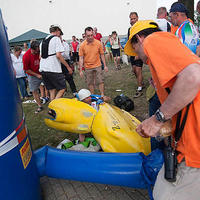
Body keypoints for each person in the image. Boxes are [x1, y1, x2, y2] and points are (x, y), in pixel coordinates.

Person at [124, 20, 200, 200]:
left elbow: (193, 77)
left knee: (164, 195)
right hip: (190, 145)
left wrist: (157, 119)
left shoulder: (153, 41)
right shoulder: (170, 43)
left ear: (140, 38)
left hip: (194, 150)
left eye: (135, 50)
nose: (137, 56)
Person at [39, 25, 73, 101]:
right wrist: (68, 67)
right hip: (53, 69)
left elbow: (40, 56)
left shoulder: (43, 41)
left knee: (52, 90)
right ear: (57, 31)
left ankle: (52, 109)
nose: (60, 35)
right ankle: (54, 105)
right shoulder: (56, 39)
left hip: (43, 69)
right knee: (62, 88)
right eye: (60, 33)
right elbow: (58, 55)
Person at [79, 27, 108, 96]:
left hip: (98, 65)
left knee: (100, 81)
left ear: (93, 34)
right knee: (90, 82)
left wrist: (105, 65)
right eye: (88, 36)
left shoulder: (98, 43)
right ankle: (92, 95)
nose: (90, 37)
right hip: (88, 67)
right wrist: (80, 70)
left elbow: (102, 55)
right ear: (85, 36)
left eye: (92, 35)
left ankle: (102, 94)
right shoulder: (82, 45)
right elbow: (81, 58)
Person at [23, 41, 43, 113]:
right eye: (36, 51)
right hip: (33, 75)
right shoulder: (26, 56)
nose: (37, 52)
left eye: (38, 50)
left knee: (50, 87)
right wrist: (37, 75)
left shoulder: (39, 52)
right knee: (34, 91)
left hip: (42, 72)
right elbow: (26, 69)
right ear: (32, 49)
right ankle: (40, 106)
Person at [128, 12, 144, 98]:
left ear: (137, 18)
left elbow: (141, 41)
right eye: (131, 19)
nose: (132, 20)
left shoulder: (140, 28)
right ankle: (141, 82)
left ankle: (139, 88)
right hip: (132, 53)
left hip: (139, 53)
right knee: (134, 70)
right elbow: (129, 42)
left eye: (134, 18)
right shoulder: (129, 29)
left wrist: (138, 54)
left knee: (138, 70)